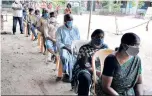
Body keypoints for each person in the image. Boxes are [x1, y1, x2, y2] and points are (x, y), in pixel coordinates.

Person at [71, 29, 108, 95]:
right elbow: (85, 64)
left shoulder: (105, 47)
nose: (100, 39)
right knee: (85, 77)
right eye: (98, 37)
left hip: (101, 68)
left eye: (102, 37)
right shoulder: (85, 48)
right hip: (86, 69)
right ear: (92, 37)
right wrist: (96, 72)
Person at [56, 14, 80, 82]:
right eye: (69, 20)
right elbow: (58, 42)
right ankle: (66, 73)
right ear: (65, 21)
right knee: (64, 57)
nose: (70, 22)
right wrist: (67, 48)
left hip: (74, 46)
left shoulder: (76, 28)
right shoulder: (60, 29)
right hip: (64, 47)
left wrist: (76, 48)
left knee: (79, 56)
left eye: (71, 20)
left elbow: (78, 39)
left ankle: (75, 72)